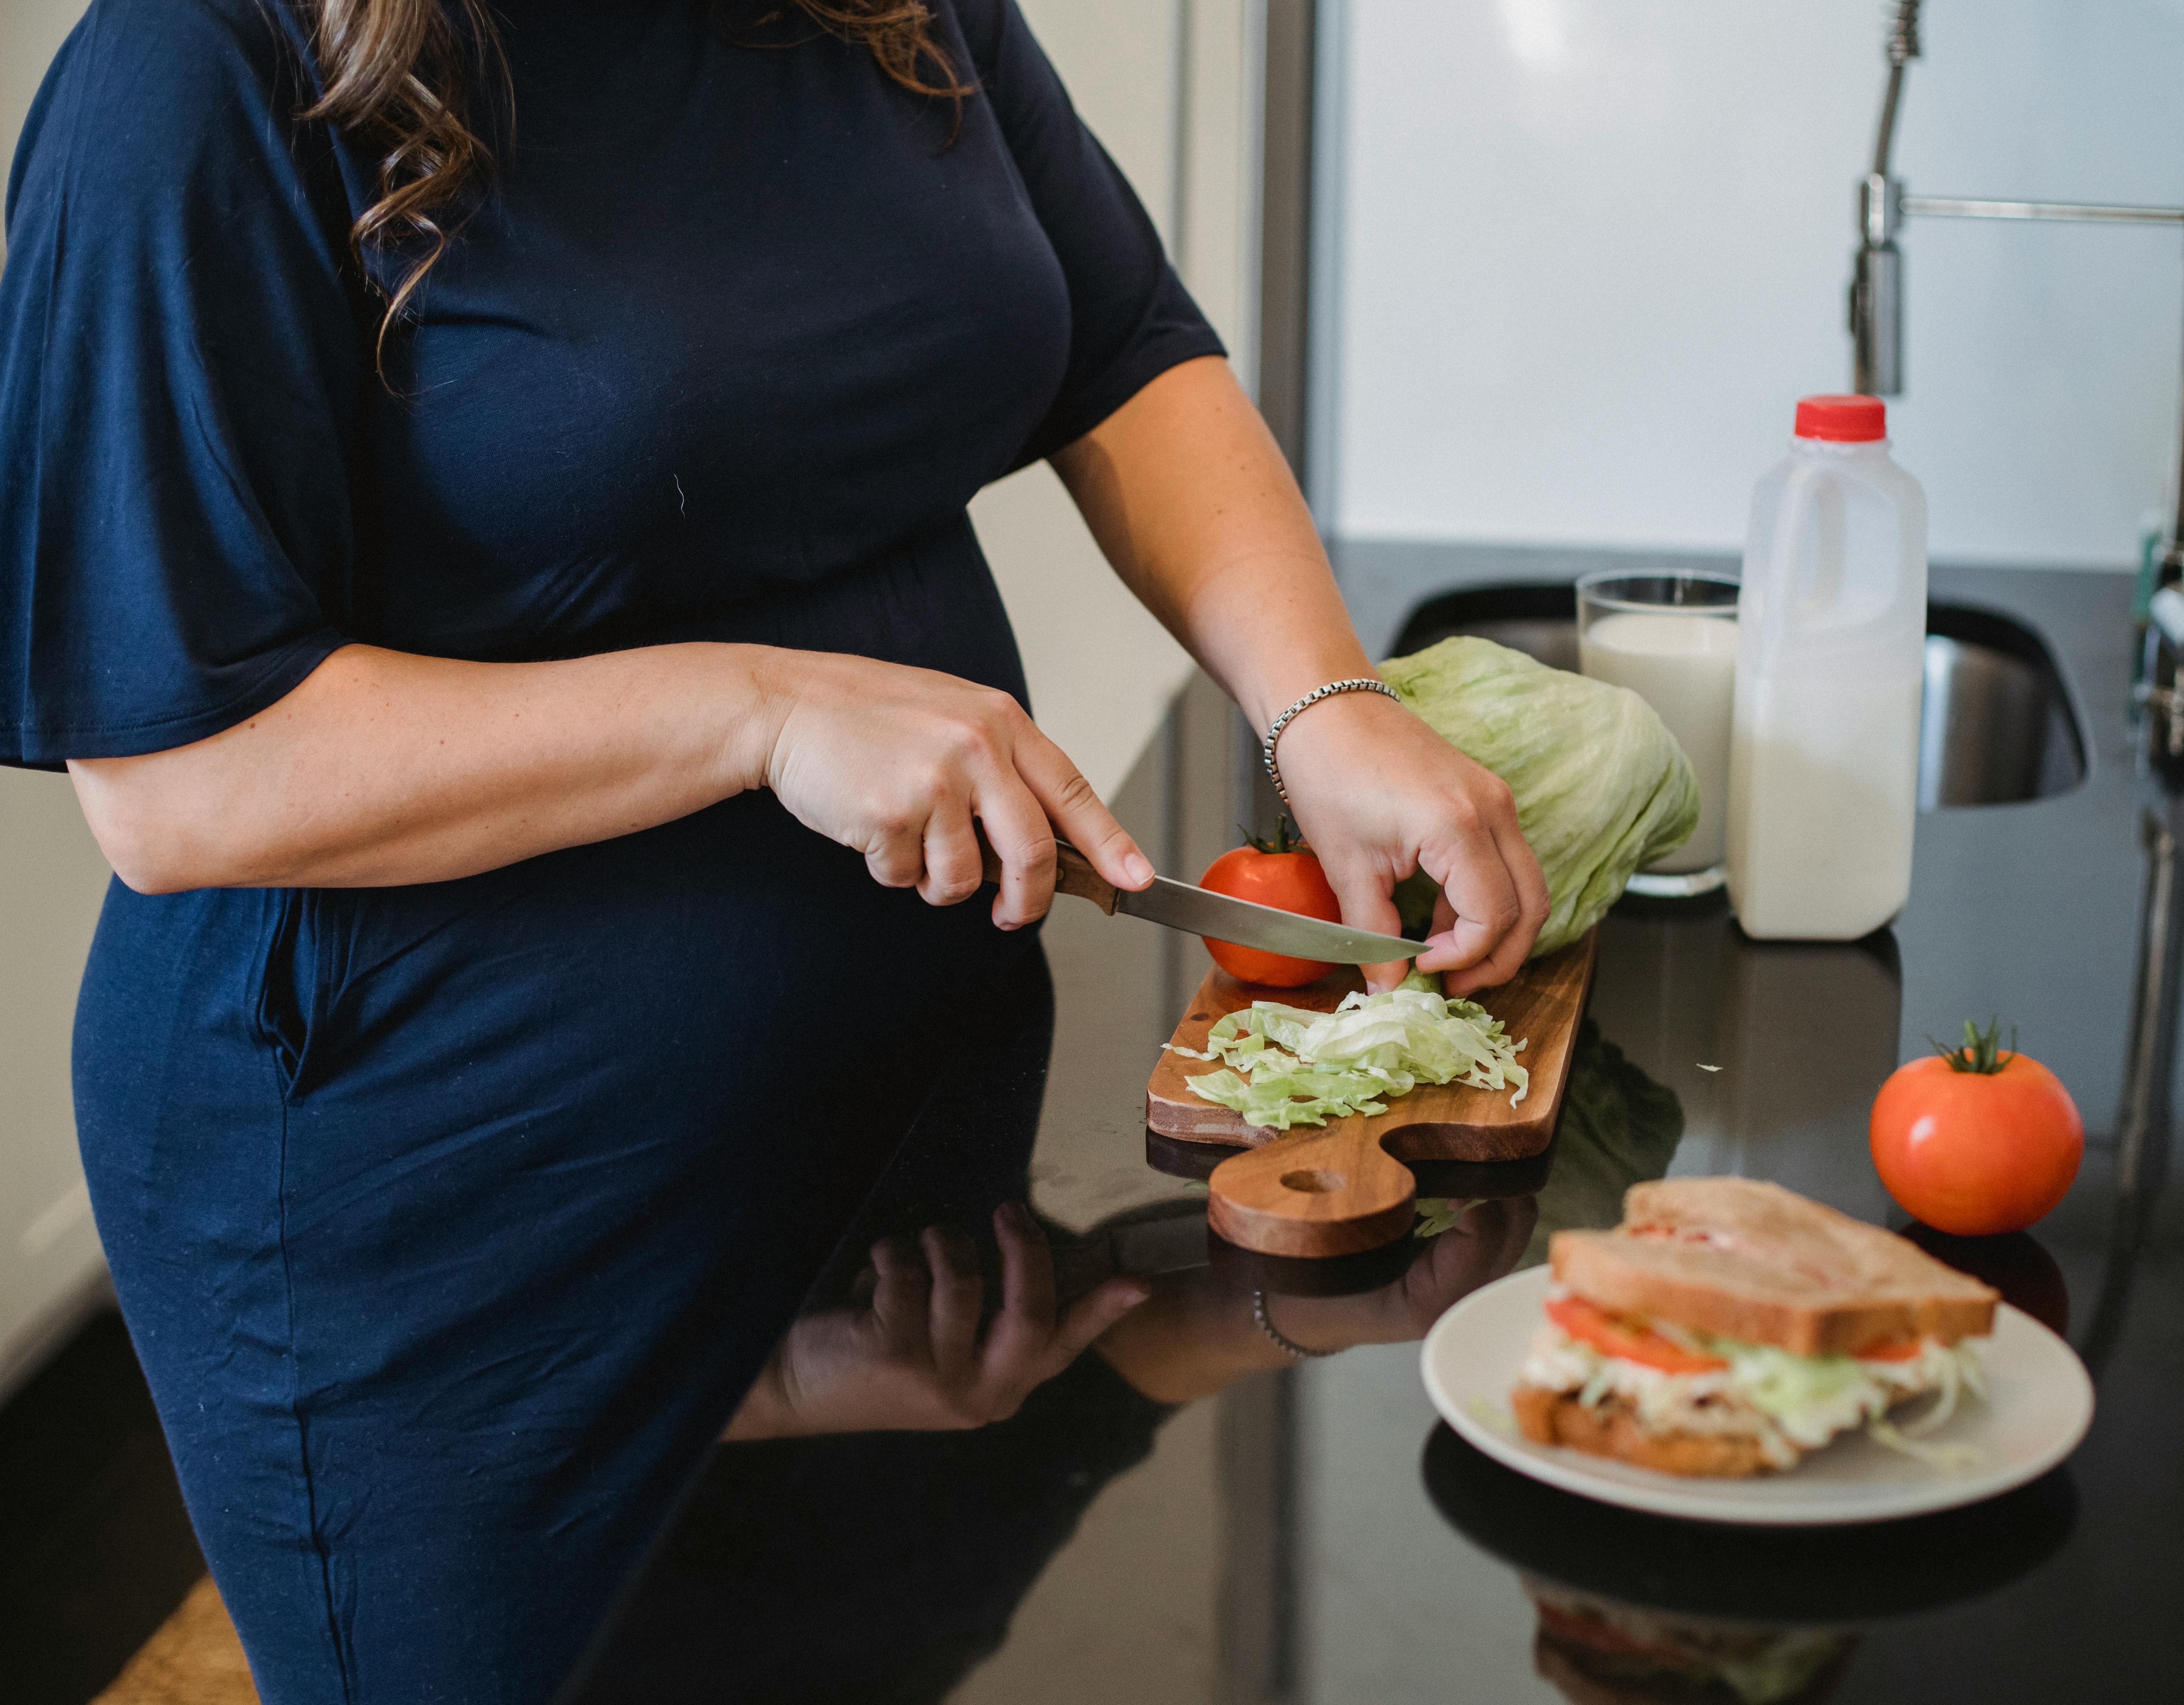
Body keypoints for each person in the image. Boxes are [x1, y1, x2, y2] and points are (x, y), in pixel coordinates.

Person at [0, 0, 1549, 1697]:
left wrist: (1320, 697)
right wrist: (759, 713)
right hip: (461, 1232)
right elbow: (177, 776)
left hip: (906, 1157)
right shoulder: (192, 69)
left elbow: (1121, 340)